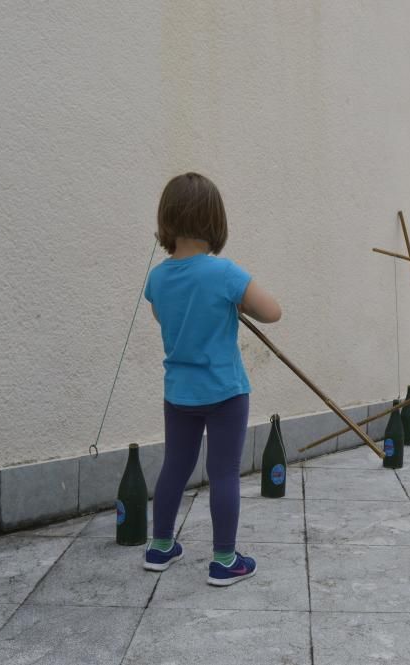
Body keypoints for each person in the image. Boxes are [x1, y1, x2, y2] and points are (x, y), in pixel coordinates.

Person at [143, 172, 281, 585]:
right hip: (225, 392)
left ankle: (160, 547)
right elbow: (272, 311)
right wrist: (236, 305)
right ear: (214, 221)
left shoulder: (158, 278)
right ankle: (224, 560)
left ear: (167, 219)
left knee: (174, 468)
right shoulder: (224, 274)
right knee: (222, 472)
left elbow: (165, 316)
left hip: (179, 393)